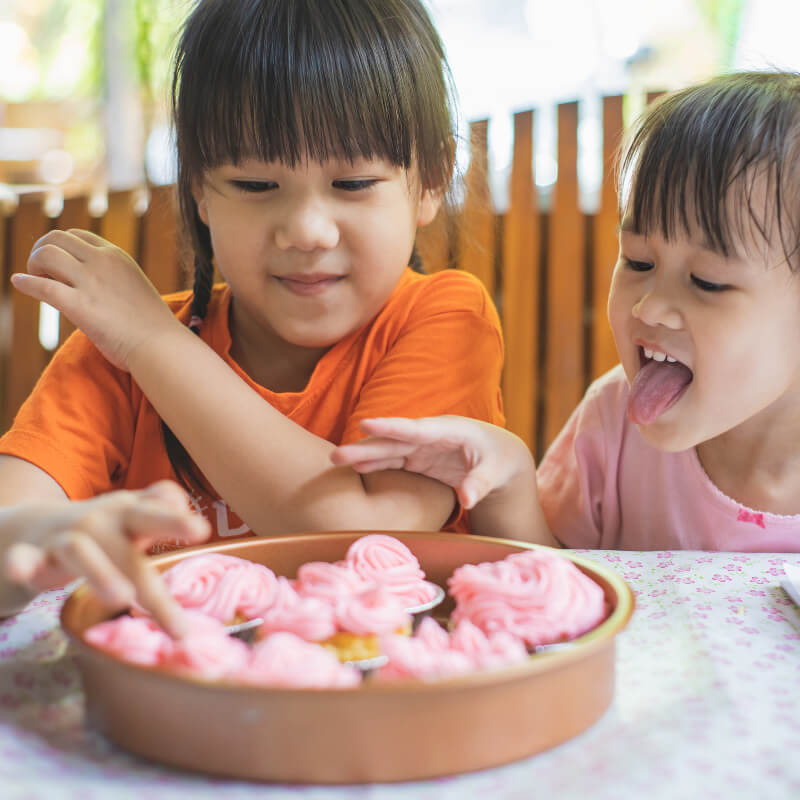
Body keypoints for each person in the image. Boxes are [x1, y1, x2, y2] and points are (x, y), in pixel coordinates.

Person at [0, 0, 506, 633]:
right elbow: (9, 534)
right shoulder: (117, 351)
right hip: (174, 711)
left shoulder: (442, 317)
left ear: (431, 181)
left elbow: (361, 537)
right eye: (255, 186)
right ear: (199, 191)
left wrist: (153, 343)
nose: (306, 231)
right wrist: (38, 537)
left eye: (352, 184)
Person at [332, 71, 800, 553]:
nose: (651, 306)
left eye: (708, 282)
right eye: (638, 261)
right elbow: (553, 580)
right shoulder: (613, 423)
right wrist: (508, 485)